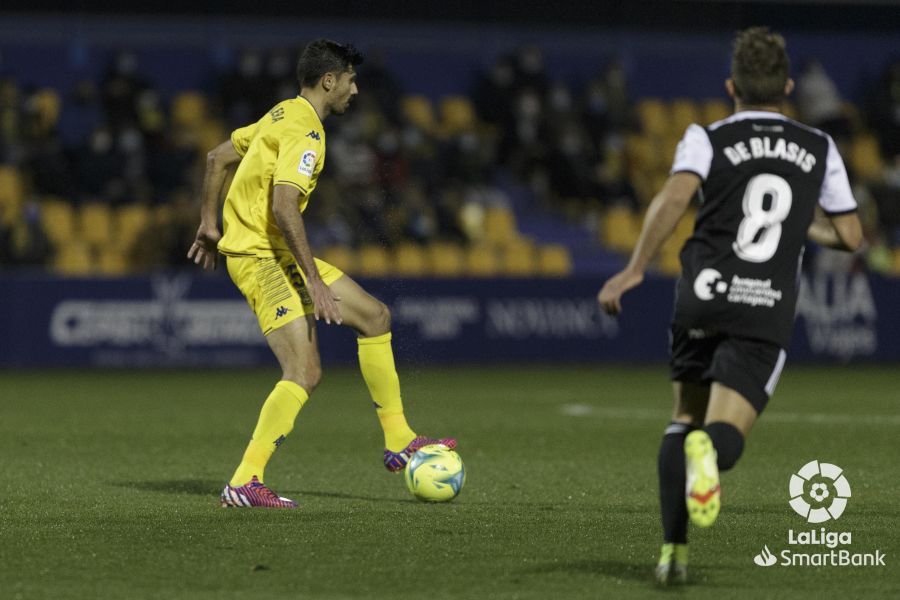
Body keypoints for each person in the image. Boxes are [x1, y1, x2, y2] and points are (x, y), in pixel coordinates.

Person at [597, 27, 862, 584]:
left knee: (682, 420)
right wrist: (801, 226)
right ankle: (708, 456)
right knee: (723, 439)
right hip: (762, 306)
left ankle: (673, 554)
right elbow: (852, 236)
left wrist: (634, 268)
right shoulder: (819, 147)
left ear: (731, 86)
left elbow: (673, 199)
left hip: (701, 295)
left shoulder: (705, 137)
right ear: (788, 86)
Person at [188, 39, 455, 509]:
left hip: (271, 250)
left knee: (375, 317)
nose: (355, 88)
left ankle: (399, 439)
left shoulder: (280, 114)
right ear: (329, 80)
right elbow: (283, 204)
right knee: (304, 370)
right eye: (350, 79)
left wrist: (210, 224)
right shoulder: (305, 132)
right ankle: (244, 481)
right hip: (258, 256)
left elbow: (216, 158)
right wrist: (312, 280)